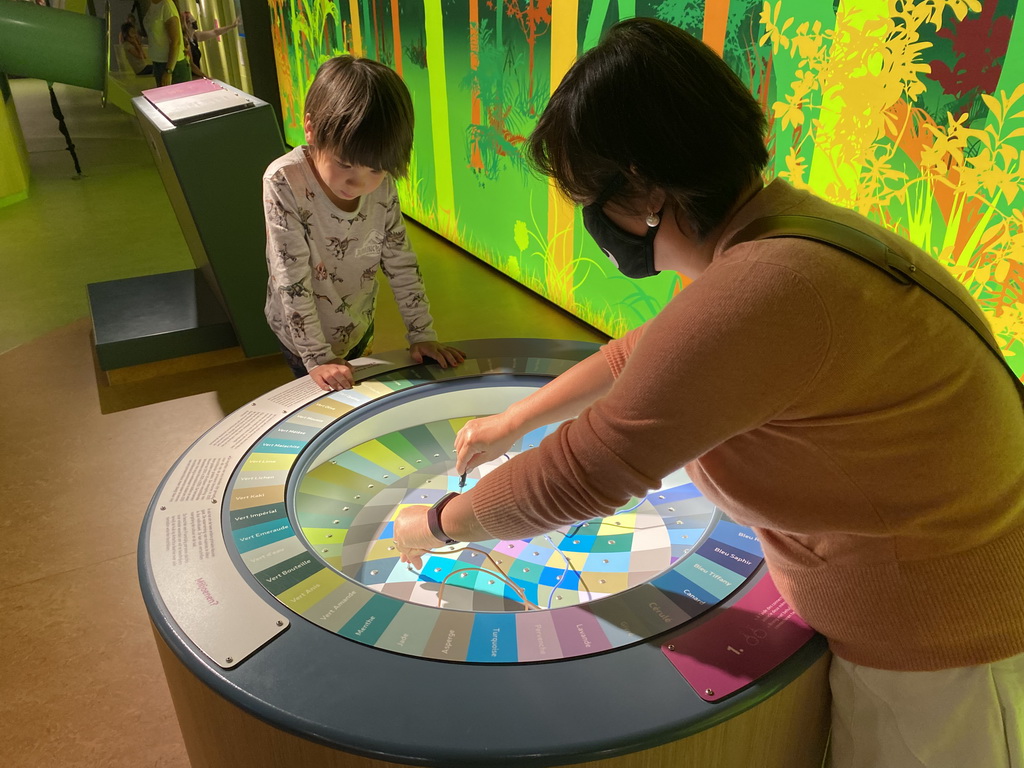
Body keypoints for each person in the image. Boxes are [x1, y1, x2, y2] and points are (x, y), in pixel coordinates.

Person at [393, 18, 1024, 768]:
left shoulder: (767, 286)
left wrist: (435, 524)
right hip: (936, 606)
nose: (594, 224)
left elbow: (585, 471)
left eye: (593, 198)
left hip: (943, 645)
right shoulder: (784, 229)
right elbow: (647, 354)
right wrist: (512, 422)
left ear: (646, 188)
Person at [263, 56, 465, 392]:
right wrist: (316, 357)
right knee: (323, 407)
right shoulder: (285, 181)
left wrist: (422, 334)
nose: (359, 183)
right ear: (311, 128)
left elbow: (400, 262)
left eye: (374, 170)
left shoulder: (381, 186)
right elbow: (291, 277)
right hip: (303, 339)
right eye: (344, 164)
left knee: (354, 395)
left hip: (358, 324)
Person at [143, 0, 190, 86]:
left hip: (173, 65)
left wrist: (169, 70)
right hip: (158, 63)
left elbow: (175, 41)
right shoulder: (153, 5)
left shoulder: (166, 5)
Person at [181, 10, 240, 78]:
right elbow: (191, 64)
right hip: (191, 76)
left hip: (197, 75)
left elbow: (215, 32)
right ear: (188, 24)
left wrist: (232, 26)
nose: (195, 23)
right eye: (193, 21)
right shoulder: (185, 40)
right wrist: (205, 76)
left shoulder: (195, 36)